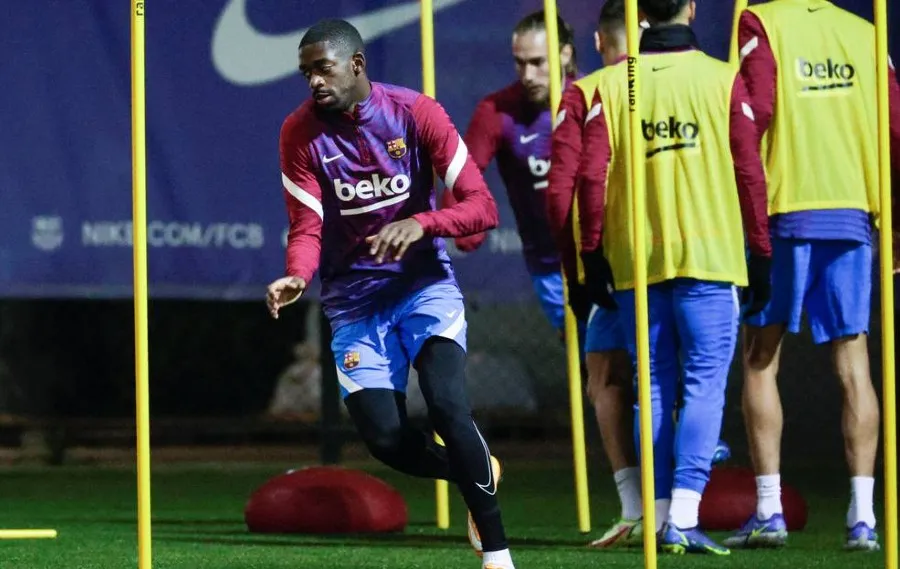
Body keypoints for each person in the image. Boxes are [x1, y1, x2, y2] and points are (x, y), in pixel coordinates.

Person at [265, 19, 515, 569]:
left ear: (356, 64)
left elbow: (481, 207)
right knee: (386, 440)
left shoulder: (415, 113)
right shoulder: (299, 132)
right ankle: (476, 471)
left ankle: (498, 557)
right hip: (353, 303)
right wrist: (297, 274)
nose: (313, 81)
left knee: (448, 405)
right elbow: (306, 227)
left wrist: (423, 223)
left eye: (322, 68)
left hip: (423, 287)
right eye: (306, 73)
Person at [578, 0, 772, 554]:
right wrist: (762, 253)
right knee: (703, 385)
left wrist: (592, 253)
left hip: (637, 261)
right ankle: (683, 516)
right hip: (711, 258)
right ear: (691, 9)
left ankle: (661, 514)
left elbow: (591, 177)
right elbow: (749, 170)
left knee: (654, 387)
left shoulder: (612, 85)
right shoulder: (722, 79)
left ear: (640, 15)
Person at [724, 0, 900, 551]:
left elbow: (755, 111)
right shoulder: (867, 31)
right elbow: (895, 128)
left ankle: (770, 510)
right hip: (853, 211)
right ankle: (863, 517)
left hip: (785, 210)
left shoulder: (760, 21)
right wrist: (896, 219)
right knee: (855, 365)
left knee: (760, 358)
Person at [546, 0, 641, 548]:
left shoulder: (585, 92)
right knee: (678, 377)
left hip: (608, 259)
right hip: (692, 254)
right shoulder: (706, 80)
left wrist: (575, 268)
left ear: (600, 42)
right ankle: (677, 504)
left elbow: (563, 191)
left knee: (605, 377)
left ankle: (634, 506)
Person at [441, 11, 580, 335]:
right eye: (520, 63)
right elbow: (461, 174)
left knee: (624, 356)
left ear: (565, 54)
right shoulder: (497, 110)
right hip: (548, 265)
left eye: (538, 62)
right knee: (587, 355)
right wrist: (464, 220)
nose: (528, 75)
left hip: (601, 258)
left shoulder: (592, 96)